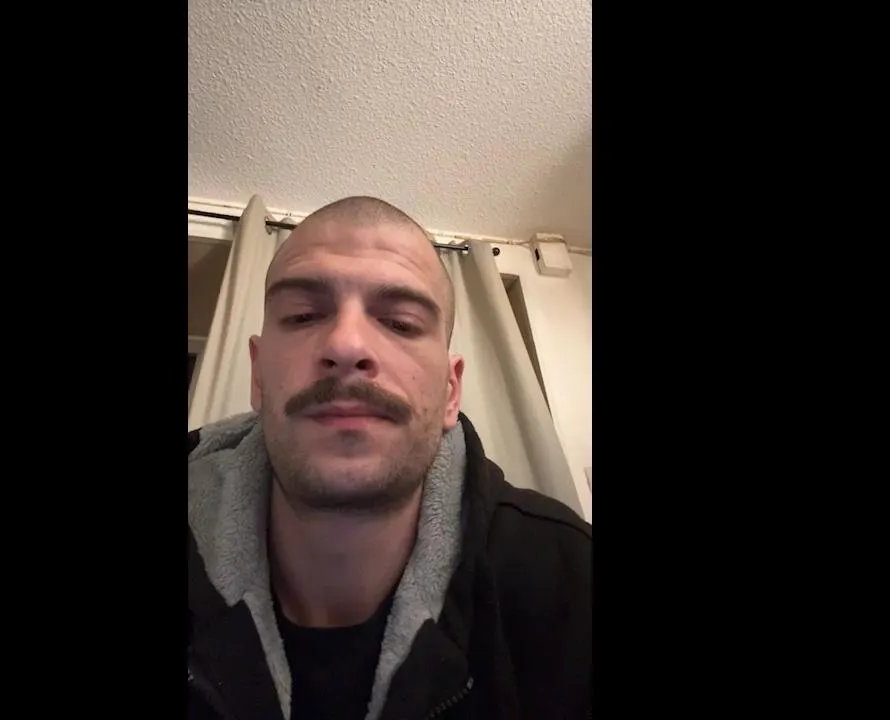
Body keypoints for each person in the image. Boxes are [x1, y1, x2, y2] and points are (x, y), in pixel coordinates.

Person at [187, 196, 592, 719]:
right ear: (258, 376)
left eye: (400, 323)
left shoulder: (571, 582)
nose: (346, 343)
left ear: (450, 392)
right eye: (304, 315)